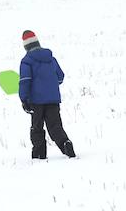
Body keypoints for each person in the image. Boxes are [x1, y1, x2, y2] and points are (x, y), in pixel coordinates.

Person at [19, 30, 76, 159]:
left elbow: (25, 81)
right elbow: (60, 77)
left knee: (37, 127)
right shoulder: (51, 58)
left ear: (26, 46)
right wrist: (50, 86)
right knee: (55, 125)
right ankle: (65, 144)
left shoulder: (27, 61)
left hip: (36, 101)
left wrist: (24, 99)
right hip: (53, 100)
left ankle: (39, 154)